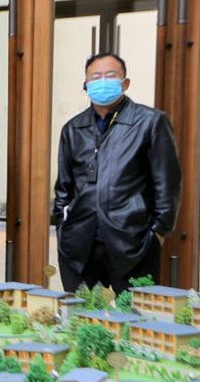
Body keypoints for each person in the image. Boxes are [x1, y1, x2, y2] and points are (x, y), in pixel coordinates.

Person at [54, 52, 181, 293]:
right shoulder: (73, 128)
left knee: (134, 313)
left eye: (110, 75)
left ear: (125, 83)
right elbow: (64, 188)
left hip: (133, 241)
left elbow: (167, 185)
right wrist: (63, 227)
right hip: (79, 245)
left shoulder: (150, 123)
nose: (102, 82)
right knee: (80, 312)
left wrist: (157, 234)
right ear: (85, 84)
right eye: (95, 77)